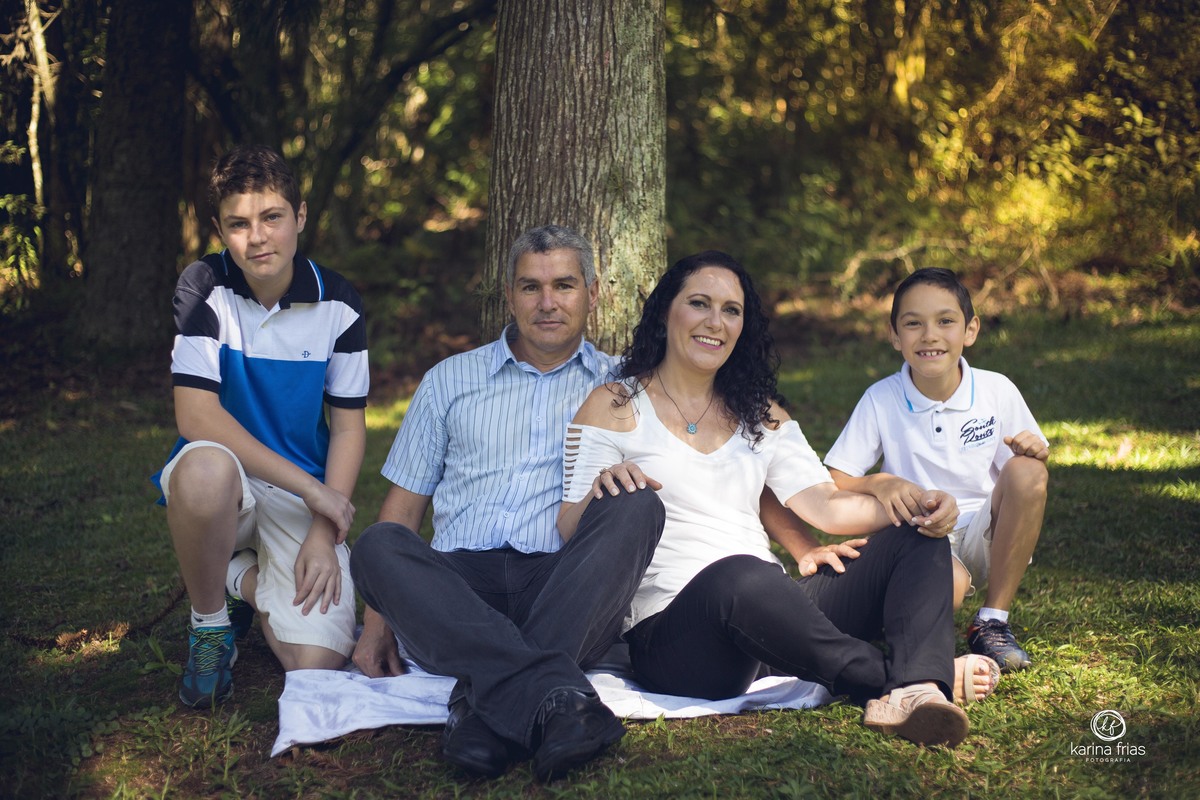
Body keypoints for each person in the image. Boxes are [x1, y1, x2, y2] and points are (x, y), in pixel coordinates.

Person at [558, 251, 993, 749]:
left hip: (772, 617)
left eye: (731, 310)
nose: (715, 322)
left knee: (913, 538)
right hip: (678, 637)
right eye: (699, 303)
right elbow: (568, 528)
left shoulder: (760, 415)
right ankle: (896, 676)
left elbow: (828, 507)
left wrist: (916, 503)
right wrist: (601, 491)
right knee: (739, 573)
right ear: (665, 312)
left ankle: (915, 689)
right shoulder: (613, 405)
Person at [349, 225, 666, 782]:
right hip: (457, 588)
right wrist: (378, 625)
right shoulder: (450, 380)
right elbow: (402, 509)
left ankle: (478, 714)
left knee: (638, 504)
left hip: (562, 583)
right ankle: (555, 698)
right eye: (530, 287)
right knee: (377, 545)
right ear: (509, 295)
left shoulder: (627, 388)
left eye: (564, 285)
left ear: (594, 294)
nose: (547, 303)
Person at [154, 144, 369, 709]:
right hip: (226, 486)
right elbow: (196, 416)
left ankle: (239, 579)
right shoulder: (204, 286)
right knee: (204, 467)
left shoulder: (340, 303)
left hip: (299, 496)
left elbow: (348, 429)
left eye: (272, 217)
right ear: (220, 230)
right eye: (239, 224)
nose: (258, 237)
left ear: (300, 216)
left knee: (316, 662)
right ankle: (209, 625)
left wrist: (324, 531)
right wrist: (312, 491)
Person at [823, 267, 1049, 672]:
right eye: (913, 324)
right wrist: (880, 480)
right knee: (951, 588)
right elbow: (835, 479)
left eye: (945, 321)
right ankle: (901, 624)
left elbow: (1023, 480)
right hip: (923, 536)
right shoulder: (882, 398)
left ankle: (992, 622)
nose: (930, 335)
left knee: (1029, 471)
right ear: (895, 335)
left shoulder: (996, 389)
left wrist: (1032, 451)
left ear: (970, 329)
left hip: (985, 531)